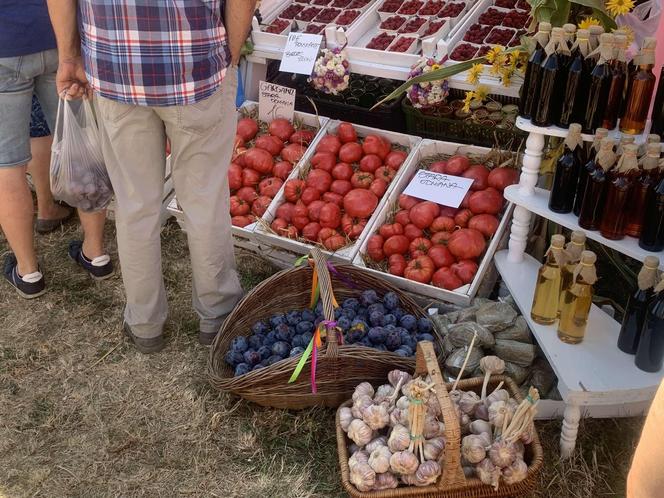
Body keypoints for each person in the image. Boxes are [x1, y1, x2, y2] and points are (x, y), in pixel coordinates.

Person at [47, 0, 256, 353]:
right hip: (195, 67)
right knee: (204, 200)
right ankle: (218, 315)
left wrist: (69, 57)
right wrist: (229, 56)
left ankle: (145, 323)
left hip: (116, 70)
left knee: (134, 204)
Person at [0, 1, 113, 299]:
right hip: (59, 37)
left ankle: (28, 271)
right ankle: (96, 252)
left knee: (6, 167)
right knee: (82, 149)